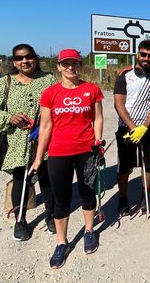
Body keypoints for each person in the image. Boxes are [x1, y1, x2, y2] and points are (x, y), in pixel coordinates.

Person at [29, 49, 104, 269]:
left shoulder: (92, 89)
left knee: (87, 193)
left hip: (86, 151)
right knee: (61, 200)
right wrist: (38, 157)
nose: (70, 67)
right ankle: (61, 243)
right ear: (59, 66)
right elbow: (45, 126)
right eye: (65, 64)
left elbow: (98, 118)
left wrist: (97, 141)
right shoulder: (50, 93)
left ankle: (89, 231)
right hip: (59, 152)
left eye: (75, 63)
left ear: (80, 65)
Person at [0, 43, 57, 241]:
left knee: (47, 179)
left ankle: (51, 217)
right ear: (13, 61)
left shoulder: (48, 80)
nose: (24, 61)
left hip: (46, 140)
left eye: (28, 56)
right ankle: (20, 219)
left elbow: (58, 105)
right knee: (20, 180)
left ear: (36, 58)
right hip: (17, 142)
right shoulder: (4, 83)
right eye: (19, 58)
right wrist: (9, 117)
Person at [114, 40, 150, 215]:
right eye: (143, 54)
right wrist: (134, 127)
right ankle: (122, 198)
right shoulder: (124, 75)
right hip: (127, 128)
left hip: (148, 128)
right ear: (137, 54)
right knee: (125, 166)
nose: (146, 58)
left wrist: (144, 127)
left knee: (148, 165)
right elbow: (119, 105)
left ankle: (145, 195)